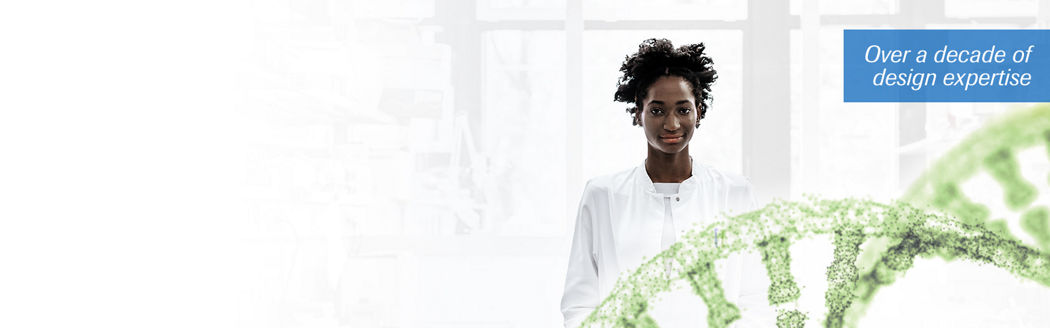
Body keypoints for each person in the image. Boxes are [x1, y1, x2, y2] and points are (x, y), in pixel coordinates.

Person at [560, 38, 775, 327]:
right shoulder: (603, 195)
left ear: (699, 111)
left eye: (683, 110)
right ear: (638, 112)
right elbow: (581, 302)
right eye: (657, 110)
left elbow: (755, 297)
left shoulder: (734, 193)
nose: (671, 124)